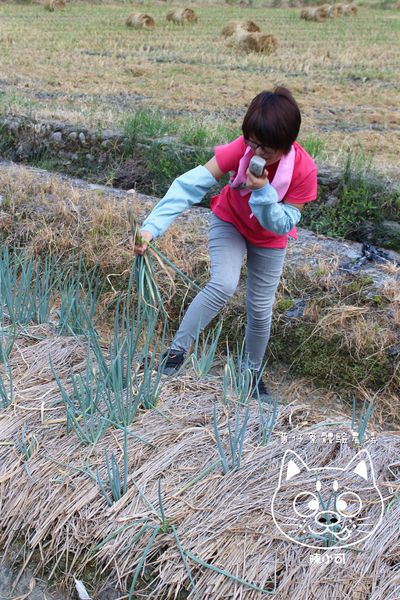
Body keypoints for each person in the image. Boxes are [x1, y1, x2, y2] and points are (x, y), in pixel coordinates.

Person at [134, 87, 318, 399]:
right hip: (230, 221)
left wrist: (262, 192)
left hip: (270, 237)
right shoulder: (241, 151)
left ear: (286, 145)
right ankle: (175, 355)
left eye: (266, 149)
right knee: (222, 284)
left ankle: (251, 374)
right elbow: (190, 184)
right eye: (251, 142)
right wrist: (151, 228)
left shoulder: (303, 170)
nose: (256, 153)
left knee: (260, 309)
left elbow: (283, 223)